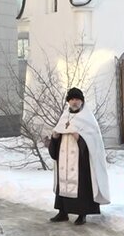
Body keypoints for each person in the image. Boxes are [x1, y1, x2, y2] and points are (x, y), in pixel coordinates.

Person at [47, 87, 111, 224]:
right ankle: (62, 211)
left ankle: (82, 214)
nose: (74, 102)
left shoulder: (88, 119)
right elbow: (56, 138)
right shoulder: (64, 117)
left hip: (80, 160)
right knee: (63, 184)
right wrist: (55, 137)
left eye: (77, 99)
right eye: (71, 99)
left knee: (81, 186)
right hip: (64, 159)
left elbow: (95, 143)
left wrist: (80, 139)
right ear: (68, 102)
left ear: (82, 101)